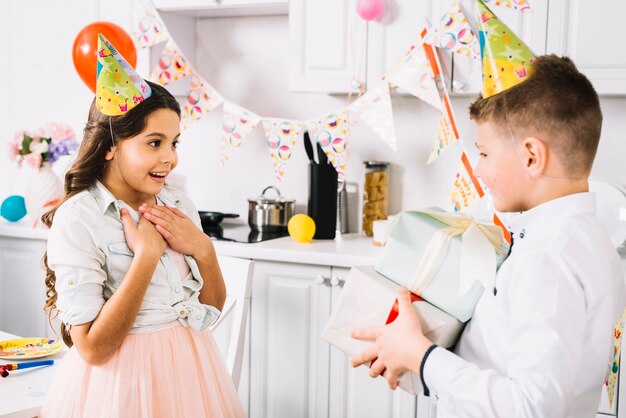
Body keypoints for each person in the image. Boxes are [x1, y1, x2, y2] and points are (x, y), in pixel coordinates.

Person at [351, 55, 626, 418]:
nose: (478, 170)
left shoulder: (548, 256)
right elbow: (500, 353)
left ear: (531, 156)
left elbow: (533, 407)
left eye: (483, 153)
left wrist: (422, 357)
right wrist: (413, 350)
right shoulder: (581, 237)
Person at [39, 34, 246, 418]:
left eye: (175, 143)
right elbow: (92, 349)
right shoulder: (80, 218)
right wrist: (146, 256)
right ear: (110, 145)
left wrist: (204, 249)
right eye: (154, 143)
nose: (170, 158)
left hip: (191, 373)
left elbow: (210, 309)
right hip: (118, 388)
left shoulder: (178, 203)